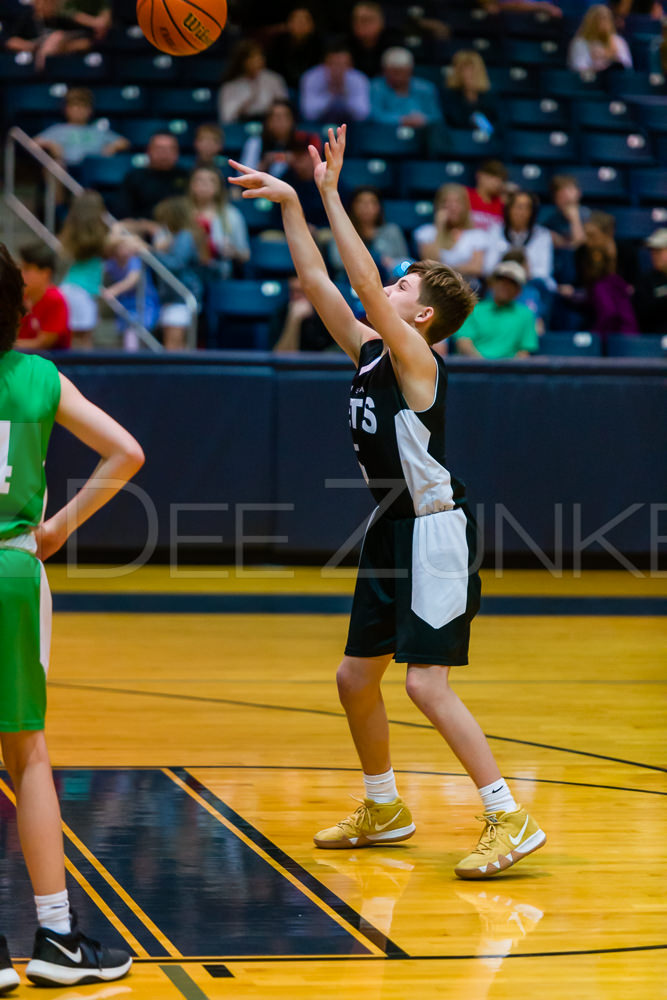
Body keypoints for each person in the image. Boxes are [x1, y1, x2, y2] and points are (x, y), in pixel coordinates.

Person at [228, 125, 546, 879]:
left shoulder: (417, 359)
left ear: (423, 317)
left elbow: (362, 284)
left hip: (435, 532)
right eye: (393, 284)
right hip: (390, 527)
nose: (385, 293)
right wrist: (290, 208)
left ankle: (509, 814)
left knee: (423, 683)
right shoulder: (373, 348)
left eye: (401, 289)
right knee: (352, 678)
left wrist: (331, 191)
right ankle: (384, 807)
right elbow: (321, 288)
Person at [0, 241, 142, 988]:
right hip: (16, 570)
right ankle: (55, 937)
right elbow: (126, 453)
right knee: (26, 753)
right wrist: (58, 527)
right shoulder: (39, 377)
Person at [559, 211, 638, 338]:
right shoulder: (582, 252)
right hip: (591, 299)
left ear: (609, 233)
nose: (589, 241)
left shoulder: (627, 251)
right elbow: (580, 282)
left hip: (617, 303)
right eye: (587, 235)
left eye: (593, 236)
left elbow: (634, 281)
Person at [484, 190, 555, 322]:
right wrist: (512, 272)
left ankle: (536, 327)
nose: (521, 212)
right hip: (503, 280)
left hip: (530, 283)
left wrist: (520, 273)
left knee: (539, 288)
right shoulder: (495, 231)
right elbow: (488, 267)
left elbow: (543, 271)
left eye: (526, 208)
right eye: (517, 207)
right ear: (509, 209)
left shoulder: (542, 235)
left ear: (532, 212)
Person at [152, 196, 208, 350]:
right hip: (172, 298)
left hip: (182, 297)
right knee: (173, 342)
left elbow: (177, 264)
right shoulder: (175, 237)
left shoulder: (185, 236)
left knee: (174, 344)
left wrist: (154, 253)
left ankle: (176, 374)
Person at [454, 261, 539, 358]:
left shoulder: (526, 315)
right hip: (474, 369)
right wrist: (482, 367)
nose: (505, 286)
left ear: (518, 290)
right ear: (492, 284)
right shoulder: (472, 310)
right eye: (501, 280)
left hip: (509, 371)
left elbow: (524, 352)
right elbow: (463, 343)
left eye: (512, 283)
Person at [34, 88, 129, 171]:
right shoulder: (58, 129)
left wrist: (112, 147)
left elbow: (124, 143)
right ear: (66, 109)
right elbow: (32, 143)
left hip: (93, 168)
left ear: (90, 110)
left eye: (83, 106)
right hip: (66, 168)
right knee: (55, 166)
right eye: (75, 106)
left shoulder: (98, 130)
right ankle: (55, 192)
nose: (79, 110)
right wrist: (50, 144)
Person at [58, 190, 107, 349]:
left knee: (72, 340)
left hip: (69, 287)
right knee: (84, 342)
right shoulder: (101, 237)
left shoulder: (71, 231)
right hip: (81, 292)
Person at [328, 186, 408, 282]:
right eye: (361, 202)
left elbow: (405, 263)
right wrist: (376, 259)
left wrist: (391, 263)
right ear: (352, 206)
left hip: (386, 282)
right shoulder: (340, 231)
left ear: (379, 207)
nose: (366, 207)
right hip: (349, 282)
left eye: (372, 202)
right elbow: (337, 261)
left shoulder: (392, 231)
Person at [413, 184, 488, 283]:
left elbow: (476, 268)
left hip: (468, 286)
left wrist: (445, 270)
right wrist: (440, 227)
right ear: (439, 206)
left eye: (457, 202)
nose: (452, 207)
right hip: (436, 285)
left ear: (465, 206)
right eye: (446, 202)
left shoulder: (477, 235)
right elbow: (429, 263)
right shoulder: (427, 232)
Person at [102, 227, 160, 350]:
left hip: (143, 302)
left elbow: (132, 280)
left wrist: (113, 290)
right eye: (122, 247)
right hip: (126, 302)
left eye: (128, 247)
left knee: (136, 333)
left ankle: (134, 361)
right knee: (129, 333)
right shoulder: (112, 262)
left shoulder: (135, 259)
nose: (126, 250)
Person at [187, 166, 250, 278]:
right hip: (187, 269)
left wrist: (233, 252)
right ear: (191, 185)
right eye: (199, 180)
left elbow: (245, 254)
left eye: (211, 180)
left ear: (218, 187)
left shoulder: (231, 214)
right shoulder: (180, 212)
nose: (204, 184)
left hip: (220, 271)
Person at [5, 0, 95, 72]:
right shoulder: (27, 17)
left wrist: (62, 46)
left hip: (60, 59)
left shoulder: (62, 18)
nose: (46, 5)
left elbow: (86, 42)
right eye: (43, 1)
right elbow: (10, 42)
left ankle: (43, 63)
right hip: (33, 56)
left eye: (51, 2)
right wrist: (38, 47)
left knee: (57, 36)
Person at [239, 99, 321, 176]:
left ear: (292, 121)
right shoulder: (255, 142)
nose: (280, 122)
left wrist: (293, 161)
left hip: (295, 189)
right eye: (276, 117)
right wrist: (265, 163)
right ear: (268, 122)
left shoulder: (302, 140)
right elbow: (243, 174)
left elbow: (312, 172)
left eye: (284, 117)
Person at [119, 133, 189, 222]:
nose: (164, 154)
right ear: (148, 151)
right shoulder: (134, 177)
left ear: (177, 153)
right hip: (141, 231)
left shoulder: (187, 177)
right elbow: (123, 213)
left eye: (169, 149)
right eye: (159, 149)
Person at [369, 47, 443, 128]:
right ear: (384, 71)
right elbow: (374, 116)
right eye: (394, 72)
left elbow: (436, 116)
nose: (398, 77)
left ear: (410, 70)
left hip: (422, 132)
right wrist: (402, 120)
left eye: (402, 72)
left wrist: (423, 119)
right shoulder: (376, 87)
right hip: (388, 132)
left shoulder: (426, 88)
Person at [218, 39, 288, 124]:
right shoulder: (230, 86)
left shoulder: (274, 79)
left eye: (260, 56)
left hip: (269, 126)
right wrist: (246, 103)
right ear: (242, 61)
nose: (258, 60)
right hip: (240, 126)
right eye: (252, 57)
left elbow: (285, 110)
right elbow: (226, 118)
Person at [16, 242, 70, 352]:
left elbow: (43, 343)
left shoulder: (55, 299)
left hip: (53, 364)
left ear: (45, 273)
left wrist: (7, 345)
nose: (21, 273)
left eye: (27, 269)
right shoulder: (21, 298)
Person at [299, 41, 371, 123]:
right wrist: (330, 95)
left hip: (351, 125)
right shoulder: (311, 77)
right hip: (319, 124)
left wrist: (345, 95)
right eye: (334, 64)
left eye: (343, 64)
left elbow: (363, 114)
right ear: (325, 64)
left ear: (350, 65)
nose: (338, 69)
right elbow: (308, 113)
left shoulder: (359, 79)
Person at [272, 276, 336, 352]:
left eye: (301, 291)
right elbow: (281, 358)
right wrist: (294, 320)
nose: (296, 296)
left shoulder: (328, 314)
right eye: (293, 291)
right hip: (294, 363)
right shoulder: (281, 313)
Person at [266, 6, 324, 90]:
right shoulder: (278, 43)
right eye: (297, 21)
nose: (301, 25)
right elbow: (273, 70)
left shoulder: (319, 44)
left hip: (312, 86)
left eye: (305, 21)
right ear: (289, 24)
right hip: (284, 86)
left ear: (312, 25)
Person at [568, 5, 633, 75]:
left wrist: (610, 57)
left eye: (606, 19)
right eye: (600, 19)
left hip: (615, 81)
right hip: (590, 83)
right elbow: (578, 68)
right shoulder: (580, 42)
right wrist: (597, 66)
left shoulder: (618, 41)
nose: (604, 23)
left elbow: (627, 66)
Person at [346, 1, 404, 79]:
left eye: (366, 20)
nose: (359, 24)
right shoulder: (344, 45)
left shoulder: (395, 44)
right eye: (355, 19)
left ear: (381, 22)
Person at [444, 50, 497, 133]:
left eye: (472, 70)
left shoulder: (491, 96)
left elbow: (499, 127)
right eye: (463, 70)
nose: (467, 75)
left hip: (487, 143)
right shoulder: (449, 96)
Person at [543, 175, 591, 250]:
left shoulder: (590, 217)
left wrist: (575, 220)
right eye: (561, 194)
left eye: (570, 190)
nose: (567, 195)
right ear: (555, 199)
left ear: (579, 193)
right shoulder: (551, 221)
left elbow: (583, 248)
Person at [634, 228, 667, 334]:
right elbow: (643, 313)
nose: (654, 255)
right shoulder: (646, 280)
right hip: (652, 340)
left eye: (659, 251)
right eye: (652, 251)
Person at [466, 160, 507, 232]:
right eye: (492, 176)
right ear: (479, 175)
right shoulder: (464, 195)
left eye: (501, 179)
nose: (497, 182)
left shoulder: (503, 204)